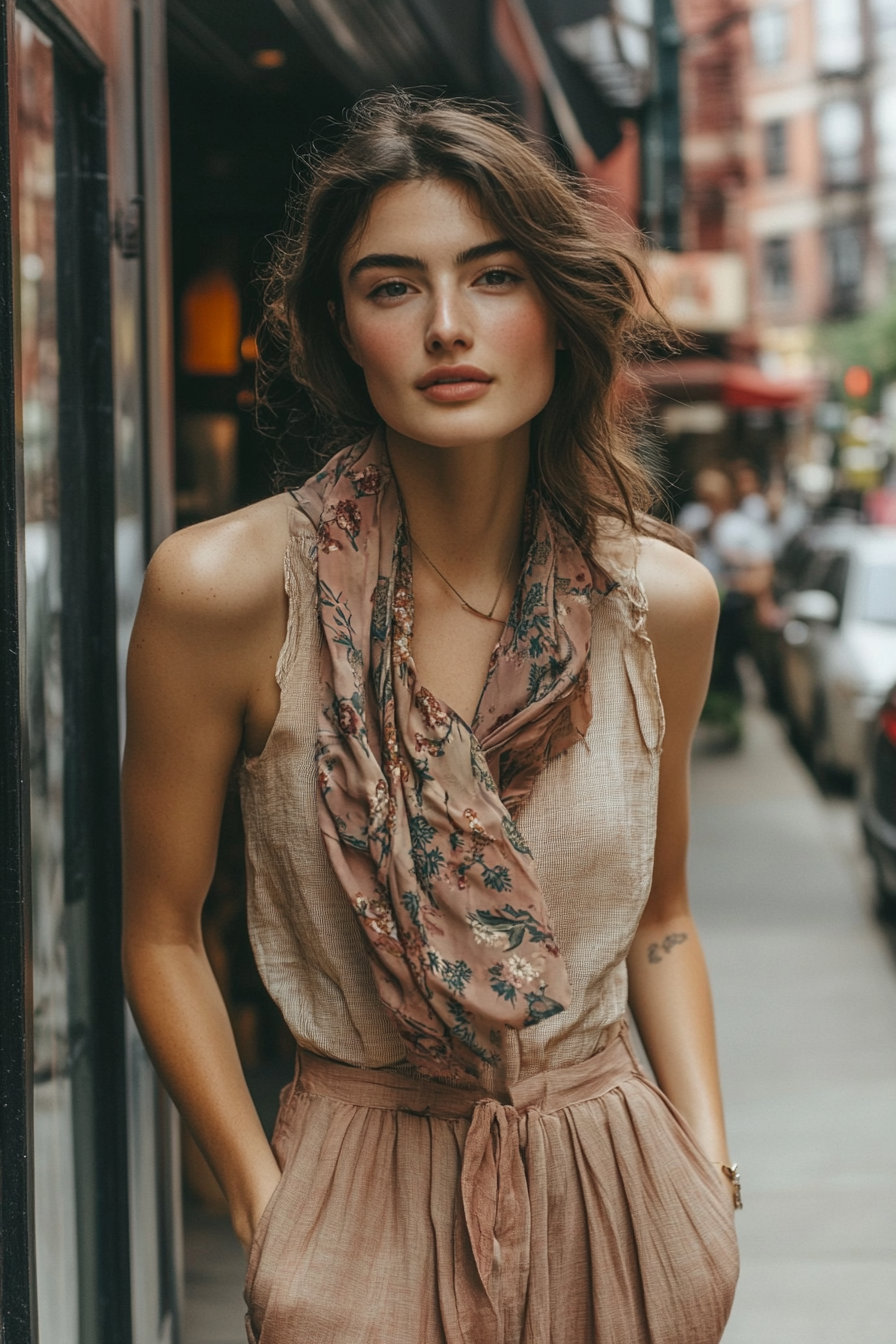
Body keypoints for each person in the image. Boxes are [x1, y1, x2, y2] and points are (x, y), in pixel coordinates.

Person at [122, 95, 740, 1344]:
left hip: (615, 1185)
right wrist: (267, 1212)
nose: (447, 327)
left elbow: (661, 924)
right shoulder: (230, 593)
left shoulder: (656, 603)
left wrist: (708, 1186)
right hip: (357, 1180)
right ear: (341, 331)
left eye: (493, 276)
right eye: (391, 287)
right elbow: (158, 934)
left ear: (557, 315)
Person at [678, 466, 773, 747]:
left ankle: (729, 721)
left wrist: (734, 571)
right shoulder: (693, 519)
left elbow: (762, 574)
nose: (709, 504)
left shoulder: (743, 527)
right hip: (696, 606)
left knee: (726, 668)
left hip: (730, 610)